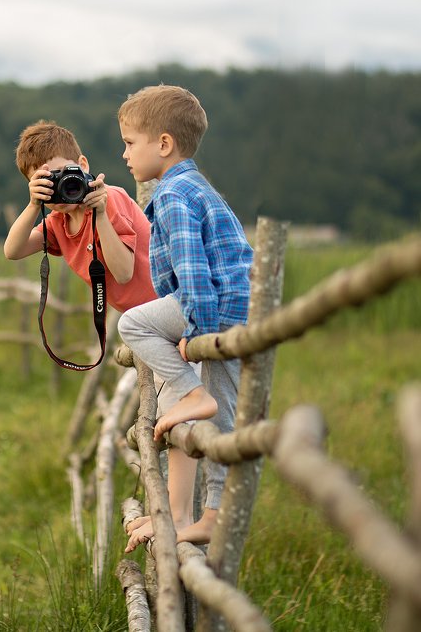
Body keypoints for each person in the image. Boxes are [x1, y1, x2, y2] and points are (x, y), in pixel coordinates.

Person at [116, 85, 253, 553]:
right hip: (235, 309)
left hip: (214, 307)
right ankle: (207, 516)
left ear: (164, 144)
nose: (125, 153)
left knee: (133, 324)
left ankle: (192, 393)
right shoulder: (192, 186)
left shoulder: (174, 194)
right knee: (224, 419)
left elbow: (194, 274)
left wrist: (196, 333)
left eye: (131, 142)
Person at [4, 120, 157, 316]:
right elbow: (13, 251)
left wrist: (100, 215)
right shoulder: (58, 222)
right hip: (142, 316)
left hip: (165, 303)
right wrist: (34, 204)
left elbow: (123, 273)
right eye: (47, 181)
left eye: (63, 174)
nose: (60, 187)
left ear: (82, 165)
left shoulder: (109, 198)